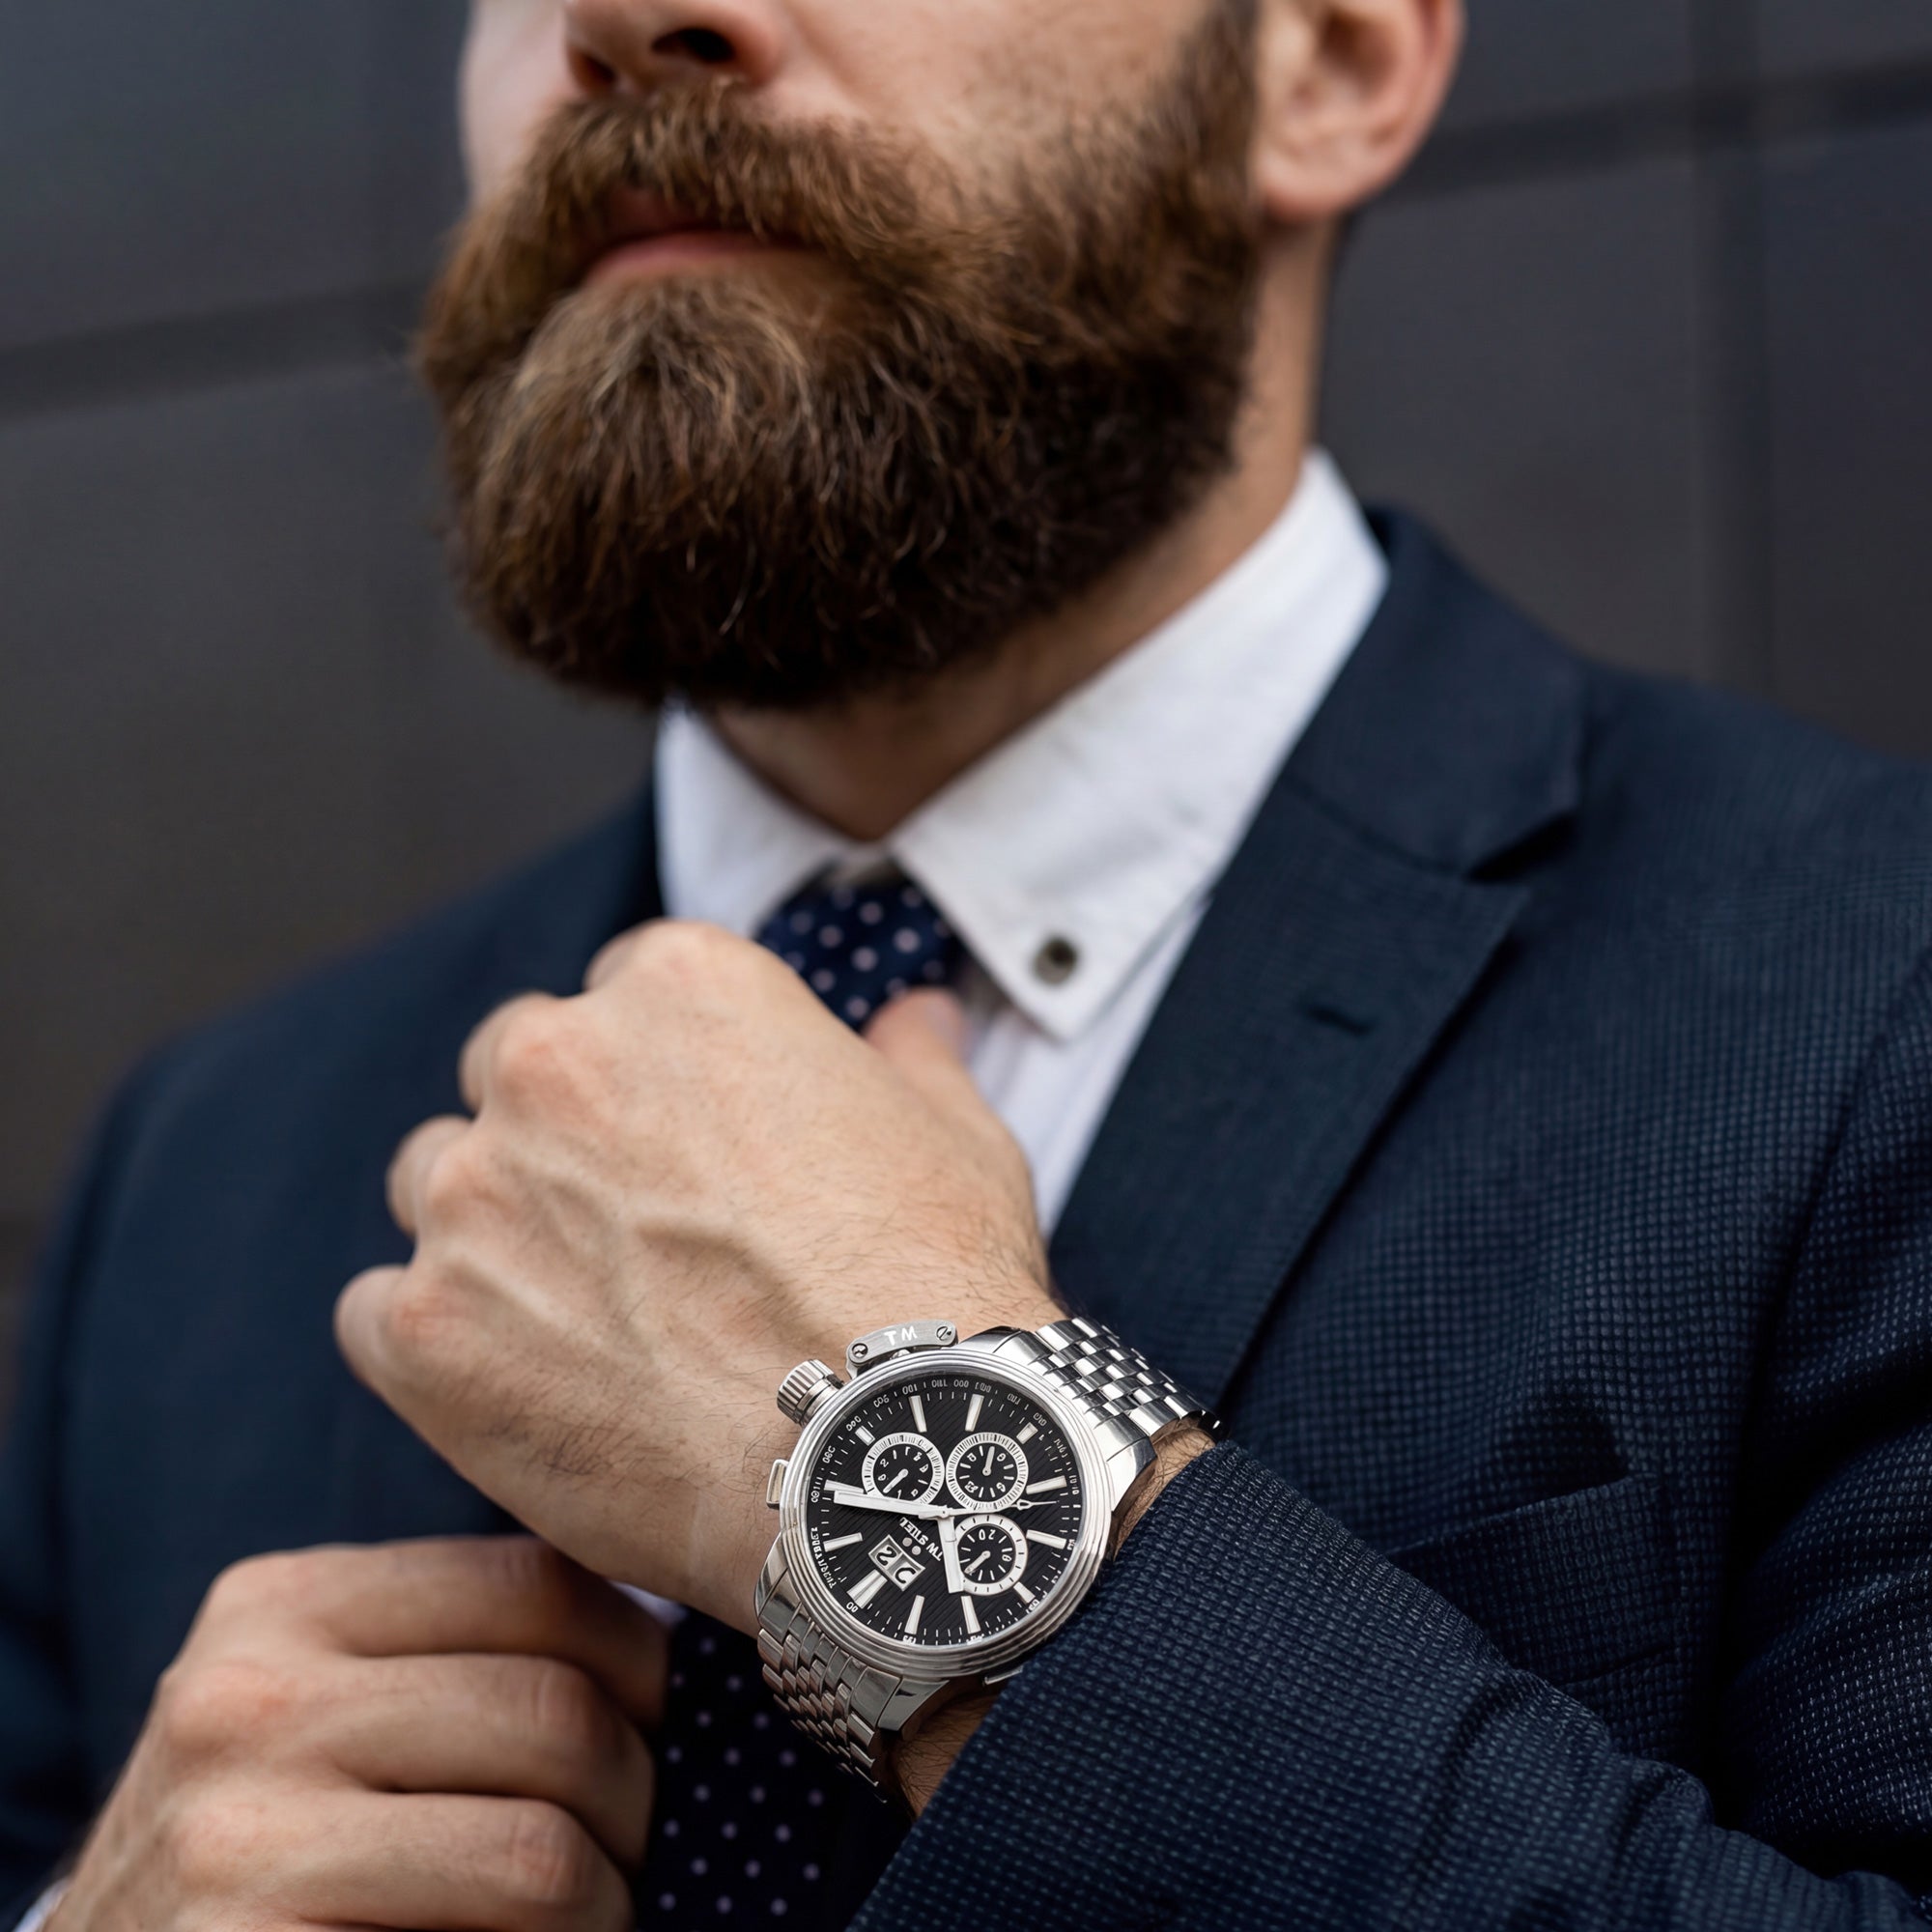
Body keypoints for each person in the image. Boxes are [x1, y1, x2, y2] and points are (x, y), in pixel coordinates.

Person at [7, 0, 1932, 1925]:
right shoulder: (198, 1178)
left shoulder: (1869, 989)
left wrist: (919, 1482)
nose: (613, 23)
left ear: (1328, 63)